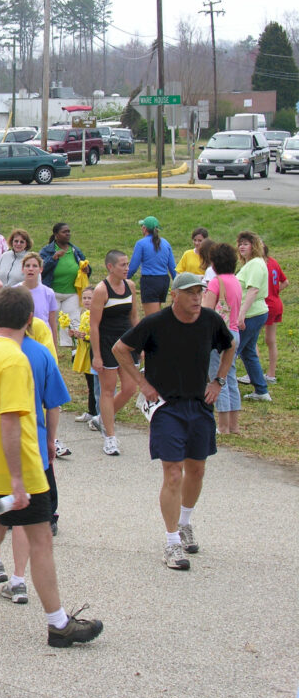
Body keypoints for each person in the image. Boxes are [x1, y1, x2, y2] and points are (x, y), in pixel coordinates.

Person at [0, 286, 103, 648]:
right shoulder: (15, 360)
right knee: (41, 541)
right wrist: (17, 479)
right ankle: (58, 625)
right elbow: (11, 420)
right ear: (30, 319)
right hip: (20, 470)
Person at [113, 273, 234, 570]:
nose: (197, 298)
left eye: (200, 292)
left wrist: (218, 381)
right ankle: (171, 543)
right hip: (166, 407)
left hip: (199, 404)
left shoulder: (210, 320)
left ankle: (184, 523)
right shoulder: (156, 322)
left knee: (197, 469)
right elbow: (120, 349)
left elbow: (229, 345)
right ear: (175, 295)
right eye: (191, 292)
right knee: (173, 473)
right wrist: (142, 384)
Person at [0, 294, 71, 600]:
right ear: (30, 319)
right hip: (31, 448)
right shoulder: (41, 353)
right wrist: (51, 440)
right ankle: (18, 578)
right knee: (26, 520)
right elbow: (53, 403)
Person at [90, 249, 139, 455]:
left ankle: (102, 418)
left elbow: (134, 316)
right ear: (110, 267)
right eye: (122, 265)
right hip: (106, 343)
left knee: (130, 388)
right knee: (108, 390)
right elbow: (94, 325)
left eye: (128, 264)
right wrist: (97, 355)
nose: (127, 268)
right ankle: (110, 437)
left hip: (126, 343)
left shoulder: (131, 286)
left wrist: (140, 343)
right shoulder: (101, 290)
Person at [202, 243, 242, 434]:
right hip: (234, 332)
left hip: (218, 335)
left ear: (214, 262)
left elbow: (208, 311)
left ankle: (223, 425)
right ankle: (234, 425)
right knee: (230, 377)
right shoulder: (235, 281)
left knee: (218, 378)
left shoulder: (216, 282)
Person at [234, 230, 271, 402]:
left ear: (254, 246)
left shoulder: (256, 263)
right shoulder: (251, 263)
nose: (242, 247)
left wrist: (241, 315)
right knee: (248, 352)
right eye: (240, 244)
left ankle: (225, 389)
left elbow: (253, 290)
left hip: (252, 314)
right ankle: (261, 391)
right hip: (253, 313)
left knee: (232, 352)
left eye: (246, 244)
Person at [40, 222, 90, 347]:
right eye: (64, 232)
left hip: (72, 292)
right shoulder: (47, 250)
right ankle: (49, 347)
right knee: (50, 322)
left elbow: (85, 266)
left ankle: (73, 348)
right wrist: (53, 258)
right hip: (53, 293)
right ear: (56, 235)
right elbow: (41, 269)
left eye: (69, 231)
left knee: (73, 321)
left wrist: (87, 270)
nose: (68, 234)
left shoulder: (75, 250)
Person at [128, 215, 176, 316]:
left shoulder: (141, 243)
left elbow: (133, 267)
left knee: (152, 319)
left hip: (150, 281)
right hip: (164, 281)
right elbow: (172, 267)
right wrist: (177, 284)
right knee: (157, 314)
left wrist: (123, 279)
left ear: (144, 228)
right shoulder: (166, 243)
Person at [18, 252, 58, 347]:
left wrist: (55, 348)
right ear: (23, 269)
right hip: (22, 340)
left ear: (41, 269)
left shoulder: (48, 293)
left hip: (43, 340)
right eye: (27, 266)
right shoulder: (14, 291)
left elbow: (52, 323)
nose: (31, 269)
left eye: (35, 266)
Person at [262, 243, 287, 383]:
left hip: (266, 305)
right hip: (277, 303)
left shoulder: (259, 265)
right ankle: (271, 374)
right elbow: (286, 282)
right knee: (271, 340)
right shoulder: (273, 262)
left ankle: (252, 373)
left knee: (249, 339)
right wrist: (275, 292)